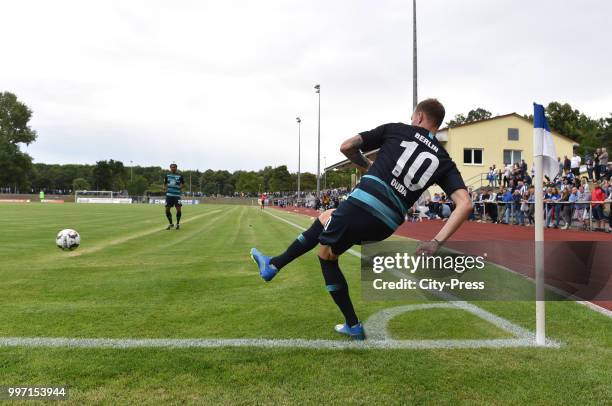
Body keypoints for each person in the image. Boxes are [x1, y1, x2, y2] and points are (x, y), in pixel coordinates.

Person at [250, 99, 472, 340]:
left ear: (418, 117)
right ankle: (351, 324)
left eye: (413, 117)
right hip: (386, 224)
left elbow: (347, 146)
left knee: (325, 235)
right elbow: (465, 204)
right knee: (327, 237)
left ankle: (273, 266)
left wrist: (368, 165)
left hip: (363, 205)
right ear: (437, 124)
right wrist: (436, 242)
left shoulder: (398, 129)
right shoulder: (443, 159)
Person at [163, 163, 184, 230]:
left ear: (176, 168)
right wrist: (165, 188)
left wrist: (179, 188)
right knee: (167, 210)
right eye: (172, 167)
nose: (173, 168)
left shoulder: (180, 176)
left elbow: (183, 184)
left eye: (174, 167)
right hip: (169, 195)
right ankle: (171, 223)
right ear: (170, 168)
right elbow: (165, 184)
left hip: (177, 195)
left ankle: (177, 224)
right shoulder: (167, 175)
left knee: (178, 210)